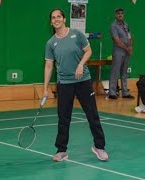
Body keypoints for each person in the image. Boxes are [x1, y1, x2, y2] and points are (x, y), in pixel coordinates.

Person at [43, 8, 108, 162]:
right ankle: (62, 150)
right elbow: (48, 65)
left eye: (59, 16)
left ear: (64, 19)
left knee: (92, 115)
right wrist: (45, 88)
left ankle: (99, 147)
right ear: (51, 21)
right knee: (63, 118)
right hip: (64, 84)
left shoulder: (76, 34)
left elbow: (88, 51)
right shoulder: (51, 43)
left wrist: (80, 65)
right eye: (53, 17)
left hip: (83, 81)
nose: (56, 19)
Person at [108, 8, 134, 99]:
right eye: (118, 13)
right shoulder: (113, 26)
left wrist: (130, 47)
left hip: (126, 51)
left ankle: (125, 93)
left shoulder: (126, 24)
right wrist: (127, 48)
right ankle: (112, 93)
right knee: (115, 71)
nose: (120, 15)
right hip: (118, 51)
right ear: (115, 15)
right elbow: (116, 39)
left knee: (124, 72)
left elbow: (129, 36)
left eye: (122, 13)